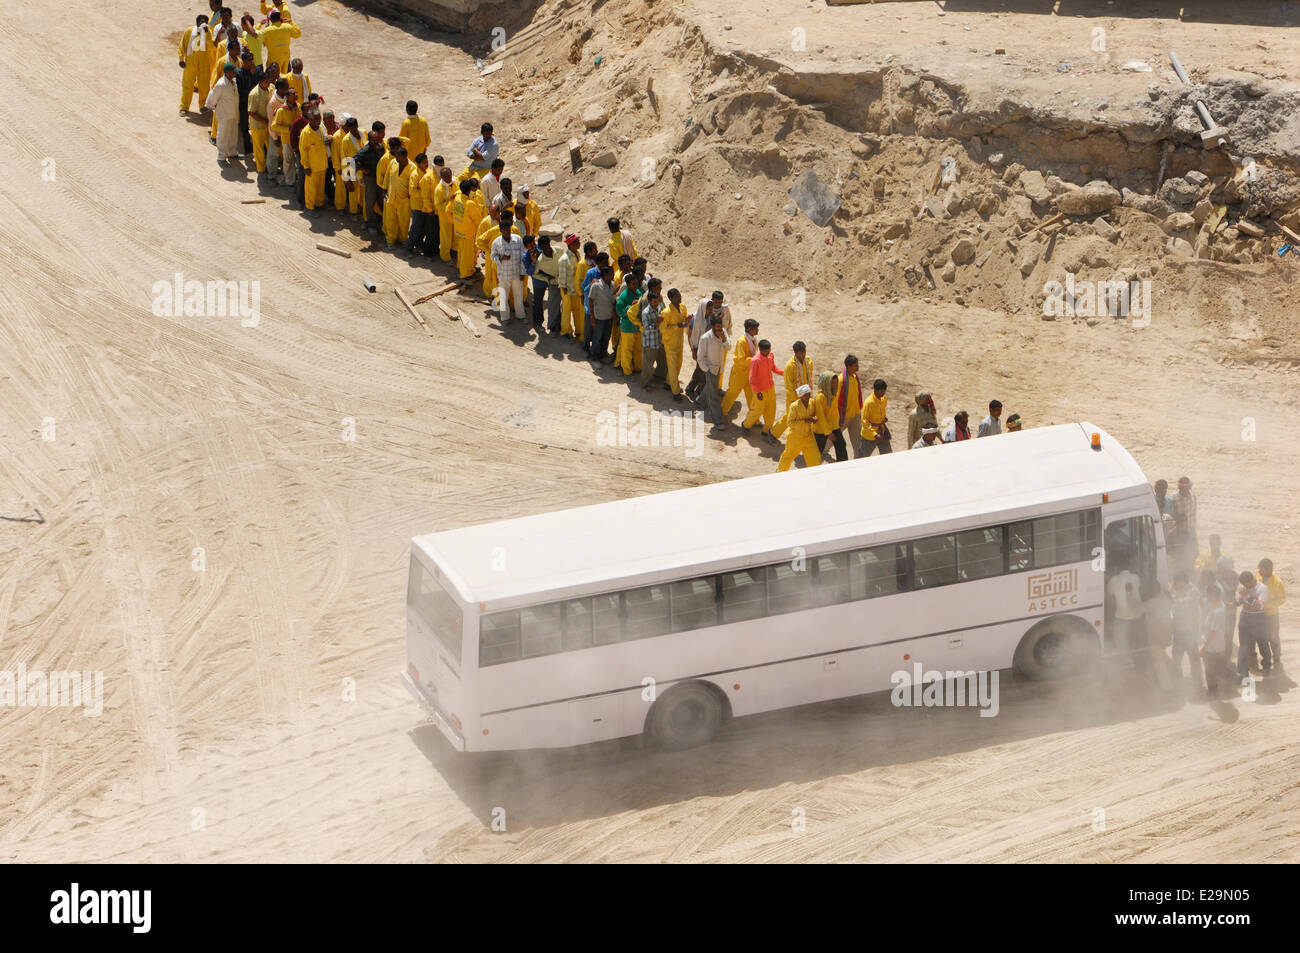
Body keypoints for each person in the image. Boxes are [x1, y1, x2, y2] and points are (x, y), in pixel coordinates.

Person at [687, 292, 731, 401]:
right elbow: (690, 335)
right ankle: (695, 391)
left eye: (711, 309)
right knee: (702, 373)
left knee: (700, 371)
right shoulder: (695, 319)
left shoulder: (709, 317)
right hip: (698, 348)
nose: (710, 311)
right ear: (703, 308)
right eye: (709, 309)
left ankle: (693, 389)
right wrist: (693, 349)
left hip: (708, 348)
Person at [770, 341, 814, 439]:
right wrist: (797, 399)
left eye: (804, 352)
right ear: (795, 353)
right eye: (800, 353)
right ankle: (773, 433)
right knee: (790, 417)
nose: (803, 355)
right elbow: (789, 387)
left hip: (806, 395)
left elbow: (809, 377)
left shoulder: (808, 361)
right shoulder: (790, 366)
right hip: (794, 397)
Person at [743, 340, 783, 442]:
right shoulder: (755, 361)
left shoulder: (770, 356)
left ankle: (766, 430)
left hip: (770, 388)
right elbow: (751, 379)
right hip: (760, 390)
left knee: (771, 410)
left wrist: (784, 373)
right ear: (760, 350)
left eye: (769, 349)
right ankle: (745, 425)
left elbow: (773, 368)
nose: (767, 352)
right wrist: (757, 392)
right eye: (765, 350)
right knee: (757, 410)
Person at [1170, 572, 1204, 691]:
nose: (1175, 584)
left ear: (1183, 581)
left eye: (1177, 582)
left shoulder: (1193, 591)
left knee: (1193, 656)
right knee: (1176, 656)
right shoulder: (1175, 589)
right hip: (1178, 628)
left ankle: (1198, 680)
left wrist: (1174, 597)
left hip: (1189, 629)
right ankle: (1177, 681)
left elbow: (1185, 604)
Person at [491, 210, 527, 321]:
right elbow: (492, 257)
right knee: (503, 297)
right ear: (500, 230)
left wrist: (522, 272)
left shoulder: (518, 239)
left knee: (518, 296)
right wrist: (501, 258)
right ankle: (505, 318)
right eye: (504, 230)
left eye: (508, 230)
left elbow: (523, 257)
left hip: (516, 274)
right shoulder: (496, 242)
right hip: (503, 275)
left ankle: (520, 316)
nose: (507, 232)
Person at [778, 385, 822, 472]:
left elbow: (815, 414)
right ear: (800, 396)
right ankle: (780, 473)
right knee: (788, 457)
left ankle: (816, 475)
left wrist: (815, 419)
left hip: (809, 436)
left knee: (815, 458)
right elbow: (790, 423)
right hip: (795, 437)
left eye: (808, 394)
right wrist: (805, 421)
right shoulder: (794, 406)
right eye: (805, 395)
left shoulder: (812, 403)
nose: (807, 396)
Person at [1236, 570, 1272, 676]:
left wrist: (1246, 596)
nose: (1244, 586)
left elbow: (1259, 606)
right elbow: (1241, 600)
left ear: (1252, 580)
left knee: (1263, 644)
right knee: (1244, 645)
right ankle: (1243, 672)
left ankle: (1266, 667)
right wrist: (1233, 603)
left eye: (1246, 584)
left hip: (1258, 620)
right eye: (1242, 584)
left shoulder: (1262, 589)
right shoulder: (1245, 588)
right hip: (1245, 618)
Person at [1200, 578, 1231, 698]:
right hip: (1216, 645)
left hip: (1213, 647)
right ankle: (1223, 688)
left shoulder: (1218, 611)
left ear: (1213, 596)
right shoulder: (1218, 606)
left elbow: (1212, 633)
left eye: (1208, 595)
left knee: (1210, 671)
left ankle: (1213, 693)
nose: (1207, 597)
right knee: (1218, 669)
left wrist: (1204, 648)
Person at [697, 316, 729, 434]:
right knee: (713, 396)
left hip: (719, 368)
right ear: (712, 327)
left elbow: (728, 347)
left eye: (720, 328)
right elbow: (700, 358)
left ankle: (700, 402)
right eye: (717, 329)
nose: (719, 331)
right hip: (711, 369)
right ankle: (718, 421)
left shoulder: (723, 333)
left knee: (711, 387)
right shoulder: (705, 338)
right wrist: (707, 370)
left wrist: (724, 339)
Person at [205, 63, 242, 162]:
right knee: (223, 135)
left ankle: (232, 152)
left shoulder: (234, 82)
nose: (235, 74)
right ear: (227, 72)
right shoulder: (220, 84)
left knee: (233, 134)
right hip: (224, 114)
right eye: (233, 72)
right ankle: (221, 156)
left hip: (233, 113)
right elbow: (213, 100)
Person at [722, 319, 760, 416]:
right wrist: (755, 360)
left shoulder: (752, 339)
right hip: (740, 373)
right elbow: (740, 359)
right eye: (755, 329)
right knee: (732, 394)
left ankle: (754, 418)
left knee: (751, 396)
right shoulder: (742, 341)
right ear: (749, 329)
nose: (757, 331)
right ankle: (722, 412)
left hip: (749, 372)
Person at [179, 15, 215, 115]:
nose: (202, 24)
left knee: (204, 85)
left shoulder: (208, 33)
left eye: (204, 22)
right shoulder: (189, 31)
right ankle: (184, 107)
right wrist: (181, 59)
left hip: (204, 63)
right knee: (187, 85)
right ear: (197, 22)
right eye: (201, 21)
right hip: (190, 63)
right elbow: (182, 45)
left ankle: (203, 106)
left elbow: (211, 47)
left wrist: (207, 33)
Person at [1107, 560, 1145, 652]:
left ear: (1116, 568)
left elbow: (1109, 595)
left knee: (1121, 639)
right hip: (1136, 615)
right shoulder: (1136, 577)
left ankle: (1126, 660)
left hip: (1122, 616)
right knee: (1133, 639)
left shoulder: (1114, 579)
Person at [354, 125, 386, 232]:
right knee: (370, 201)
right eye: (374, 139)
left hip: (380, 178)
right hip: (370, 179)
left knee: (382, 201)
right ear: (370, 139)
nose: (377, 141)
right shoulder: (364, 151)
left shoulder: (381, 147)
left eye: (378, 139)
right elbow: (353, 161)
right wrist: (363, 169)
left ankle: (383, 223)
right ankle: (370, 223)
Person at [298, 109, 330, 215]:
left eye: (319, 118)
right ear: (309, 119)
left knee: (320, 186)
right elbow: (303, 151)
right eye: (315, 119)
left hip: (322, 164)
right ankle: (310, 207)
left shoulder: (321, 128)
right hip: (312, 166)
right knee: (311, 188)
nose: (318, 120)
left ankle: (319, 203)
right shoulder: (306, 133)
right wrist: (306, 166)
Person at [661, 288, 689, 401]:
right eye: (677, 296)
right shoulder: (666, 312)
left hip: (679, 340)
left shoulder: (683, 307)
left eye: (680, 295)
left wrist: (687, 320)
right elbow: (663, 329)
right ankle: (675, 392)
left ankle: (669, 383)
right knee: (672, 366)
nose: (680, 298)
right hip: (670, 342)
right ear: (671, 299)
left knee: (678, 362)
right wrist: (678, 326)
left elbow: (684, 320)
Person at [453, 179, 484, 279]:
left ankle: (461, 267)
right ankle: (465, 274)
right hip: (467, 233)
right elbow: (478, 219)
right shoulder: (469, 204)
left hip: (459, 229)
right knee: (468, 254)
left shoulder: (457, 198)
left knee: (461, 251)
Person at [615, 274, 646, 375]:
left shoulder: (639, 292)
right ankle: (627, 371)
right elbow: (619, 312)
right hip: (627, 328)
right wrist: (630, 307)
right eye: (633, 284)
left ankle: (638, 368)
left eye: (636, 283)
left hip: (637, 326)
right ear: (628, 285)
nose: (635, 285)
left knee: (638, 349)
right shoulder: (623, 296)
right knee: (626, 351)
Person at [1258, 558, 1285, 667]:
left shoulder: (1277, 582)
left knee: (1273, 637)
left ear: (1269, 569)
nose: (1259, 571)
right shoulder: (1258, 577)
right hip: (1259, 614)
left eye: (1262, 569)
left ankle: (1277, 655)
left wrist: (1268, 605)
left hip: (1272, 614)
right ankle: (1266, 657)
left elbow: (1282, 598)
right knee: (1262, 637)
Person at [270, 87, 300, 189]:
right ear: (287, 97)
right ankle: (289, 181)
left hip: (298, 139)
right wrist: (288, 129)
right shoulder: (281, 110)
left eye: (295, 93)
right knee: (288, 160)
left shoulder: (298, 106)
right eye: (293, 94)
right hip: (287, 140)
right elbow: (274, 126)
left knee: (297, 160)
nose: (296, 95)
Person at [246, 68, 274, 175]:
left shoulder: (271, 88)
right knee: (259, 149)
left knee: (271, 147)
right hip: (257, 126)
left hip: (269, 124)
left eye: (269, 81)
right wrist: (264, 121)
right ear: (260, 82)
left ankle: (271, 166)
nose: (268, 84)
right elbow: (251, 112)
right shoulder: (254, 95)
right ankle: (261, 169)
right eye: (266, 82)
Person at [587, 266, 618, 362]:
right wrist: (592, 317)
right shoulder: (596, 286)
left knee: (606, 337)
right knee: (597, 338)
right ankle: (595, 358)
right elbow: (591, 301)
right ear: (605, 275)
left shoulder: (612, 285)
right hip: (599, 317)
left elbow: (612, 298)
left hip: (609, 316)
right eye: (611, 274)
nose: (613, 275)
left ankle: (603, 354)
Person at [406, 154, 434, 256]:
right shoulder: (415, 175)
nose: (426, 164)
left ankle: (418, 244)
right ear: (418, 164)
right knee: (415, 227)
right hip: (418, 206)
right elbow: (412, 191)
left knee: (424, 227)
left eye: (427, 162)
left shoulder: (429, 171)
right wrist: (425, 193)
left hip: (427, 205)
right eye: (424, 163)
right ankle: (409, 247)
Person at [333, 116, 362, 214]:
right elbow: (343, 157)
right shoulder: (344, 140)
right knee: (351, 191)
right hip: (350, 167)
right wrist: (346, 176)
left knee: (362, 190)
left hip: (362, 167)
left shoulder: (363, 134)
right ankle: (352, 211)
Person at [557, 234, 584, 339]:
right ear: (572, 244)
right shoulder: (564, 259)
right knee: (566, 312)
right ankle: (565, 331)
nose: (579, 243)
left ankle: (578, 331)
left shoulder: (577, 254)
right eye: (577, 242)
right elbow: (562, 277)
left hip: (576, 289)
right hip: (567, 290)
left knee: (577, 311)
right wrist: (564, 290)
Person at [639, 291, 667, 389]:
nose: (657, 303)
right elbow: (647, 328)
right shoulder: (645, 312)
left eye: (657, 301)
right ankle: (645, 383)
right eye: (655, 302)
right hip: (650, 343)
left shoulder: (659, 308)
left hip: (659, 341)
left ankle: (659, 377)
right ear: (650, 302)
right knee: (648, 365)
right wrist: (657, 323)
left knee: (662, 361)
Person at [812, 372, 842, 462]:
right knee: (817, 454)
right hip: (821, 430)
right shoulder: (820, 397)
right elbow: (821, 417)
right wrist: (829, 433)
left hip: (834, 426)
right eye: (832, 383)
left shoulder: (833, 394)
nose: (835, 385)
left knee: (841, 446)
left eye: (836, 382)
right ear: (826, 383)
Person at [530, 235, 559, 329]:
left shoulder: (558, 250)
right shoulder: (539, 260)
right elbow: (534, 274)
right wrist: (547, 278)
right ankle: (544, 325)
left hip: (562, 282)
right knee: (545, 304)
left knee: (561, 306)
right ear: (541, 247)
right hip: (548, 284)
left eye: (548, 245)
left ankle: (560, 327)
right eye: (544, 246)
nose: (547, 248)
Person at [260, 9, 300, 74]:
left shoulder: (266, 31)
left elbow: (257, 37)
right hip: (285, 60)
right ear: (280, 17)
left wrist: (260, 25)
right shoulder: (287, 26)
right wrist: (291, 22)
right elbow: (298, 34)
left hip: (273, 63)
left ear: (270, 19)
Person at [1170, 477, 1198, 570]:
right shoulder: (1173, 498)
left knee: (1192, 548)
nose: (1185, 490)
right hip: (1178, 530)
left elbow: (1194, 512)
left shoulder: (1193, 496)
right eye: (1182, 489)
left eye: (1187, 488)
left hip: (1190, 528)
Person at [861, 378, 891, 455]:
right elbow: (865, 420)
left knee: (888, 454)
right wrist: (875, 435)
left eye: (884, 391)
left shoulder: (883, 398)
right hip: (869, 434)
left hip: (882, 430)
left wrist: (884, 418)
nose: (883, 393)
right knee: (863, 457)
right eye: (881, 391)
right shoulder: (869, 402)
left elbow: (883, 409)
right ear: (875, 390)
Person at [432, 164, 455, 261]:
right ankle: (445, 256)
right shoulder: (439, 189)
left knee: (455, 235)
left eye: (449, 175)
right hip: (445, 217)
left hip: (455, 214)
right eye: (446, 176)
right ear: (442, 177)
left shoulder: (455, 182)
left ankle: (454, 251)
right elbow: (438, 205)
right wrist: (449, 200)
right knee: (446, 237)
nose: (448, 178)